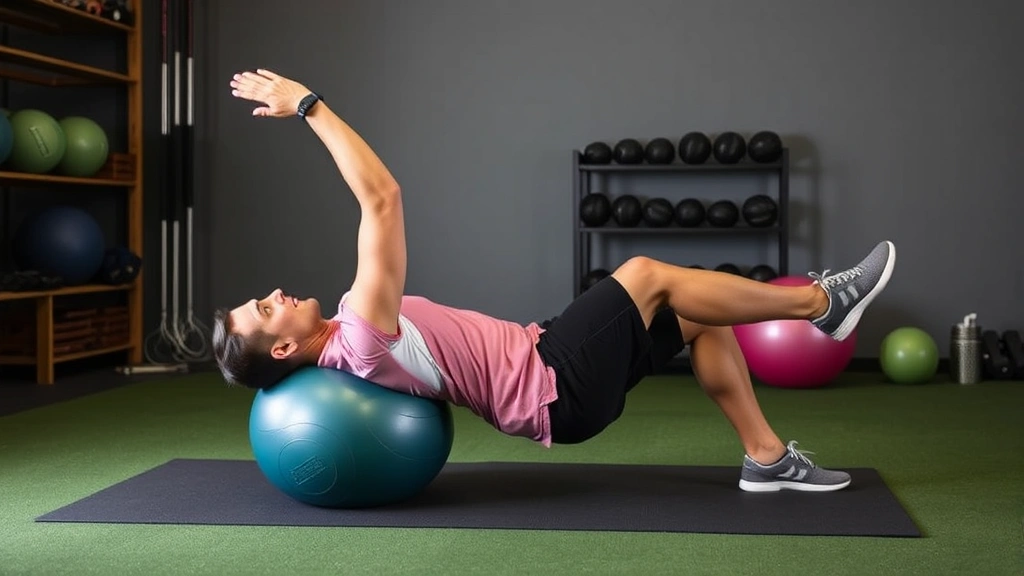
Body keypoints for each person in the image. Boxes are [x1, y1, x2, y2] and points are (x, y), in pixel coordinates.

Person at [215, 68, 896, 493]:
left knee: (697, 306)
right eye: (264, 311)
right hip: (554, 383)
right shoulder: (359, 333)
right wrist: (308, 104)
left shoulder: (352, 333)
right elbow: (382, 197)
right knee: (647, 273)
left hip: (551, 368)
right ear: (282, 350)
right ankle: (822, 303)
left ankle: (766, 458)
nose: (273, 295)